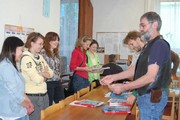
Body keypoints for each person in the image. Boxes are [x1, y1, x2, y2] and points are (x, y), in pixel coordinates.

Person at [100, 12, 171, 120]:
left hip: (152, 98)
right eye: (140, 26)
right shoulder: (148, 46)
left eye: (143, 25)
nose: (141, 29)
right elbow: (135, 70)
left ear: (155, 25)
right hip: (146, 96)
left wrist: (123, 87)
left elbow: (150, 77)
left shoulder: (158, 45)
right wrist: (113, 77)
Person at [20, 32, 53, 120]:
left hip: (44, 95)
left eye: (42, 44)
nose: (42, 46)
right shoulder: (26, 58)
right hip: (33, 97)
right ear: (32, 43)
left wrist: (43, 74)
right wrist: (45, 74)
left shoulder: (40, 57)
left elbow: (51, 73)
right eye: (40, 44)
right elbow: (37, 79)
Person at [0, 37, 34, 120]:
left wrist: (28, 102)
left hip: (19, 111)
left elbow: (19, 89)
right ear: (12, 49)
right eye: (21, 50)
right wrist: (26, 104)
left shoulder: (11, 65)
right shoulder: (5, 66)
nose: (22, 53)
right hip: (11, 113)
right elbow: (13, 92)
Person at [40, 32, 65, 106]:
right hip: (48, 82)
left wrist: (59, 77)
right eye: (54, 40)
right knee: (49, 105)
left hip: (57, 81)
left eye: (57, 40)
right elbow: (44, 69)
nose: (57, 42)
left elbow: (57, 68)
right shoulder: (43, 52)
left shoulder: (55, 53)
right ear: (48, 41)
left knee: (61, 103)